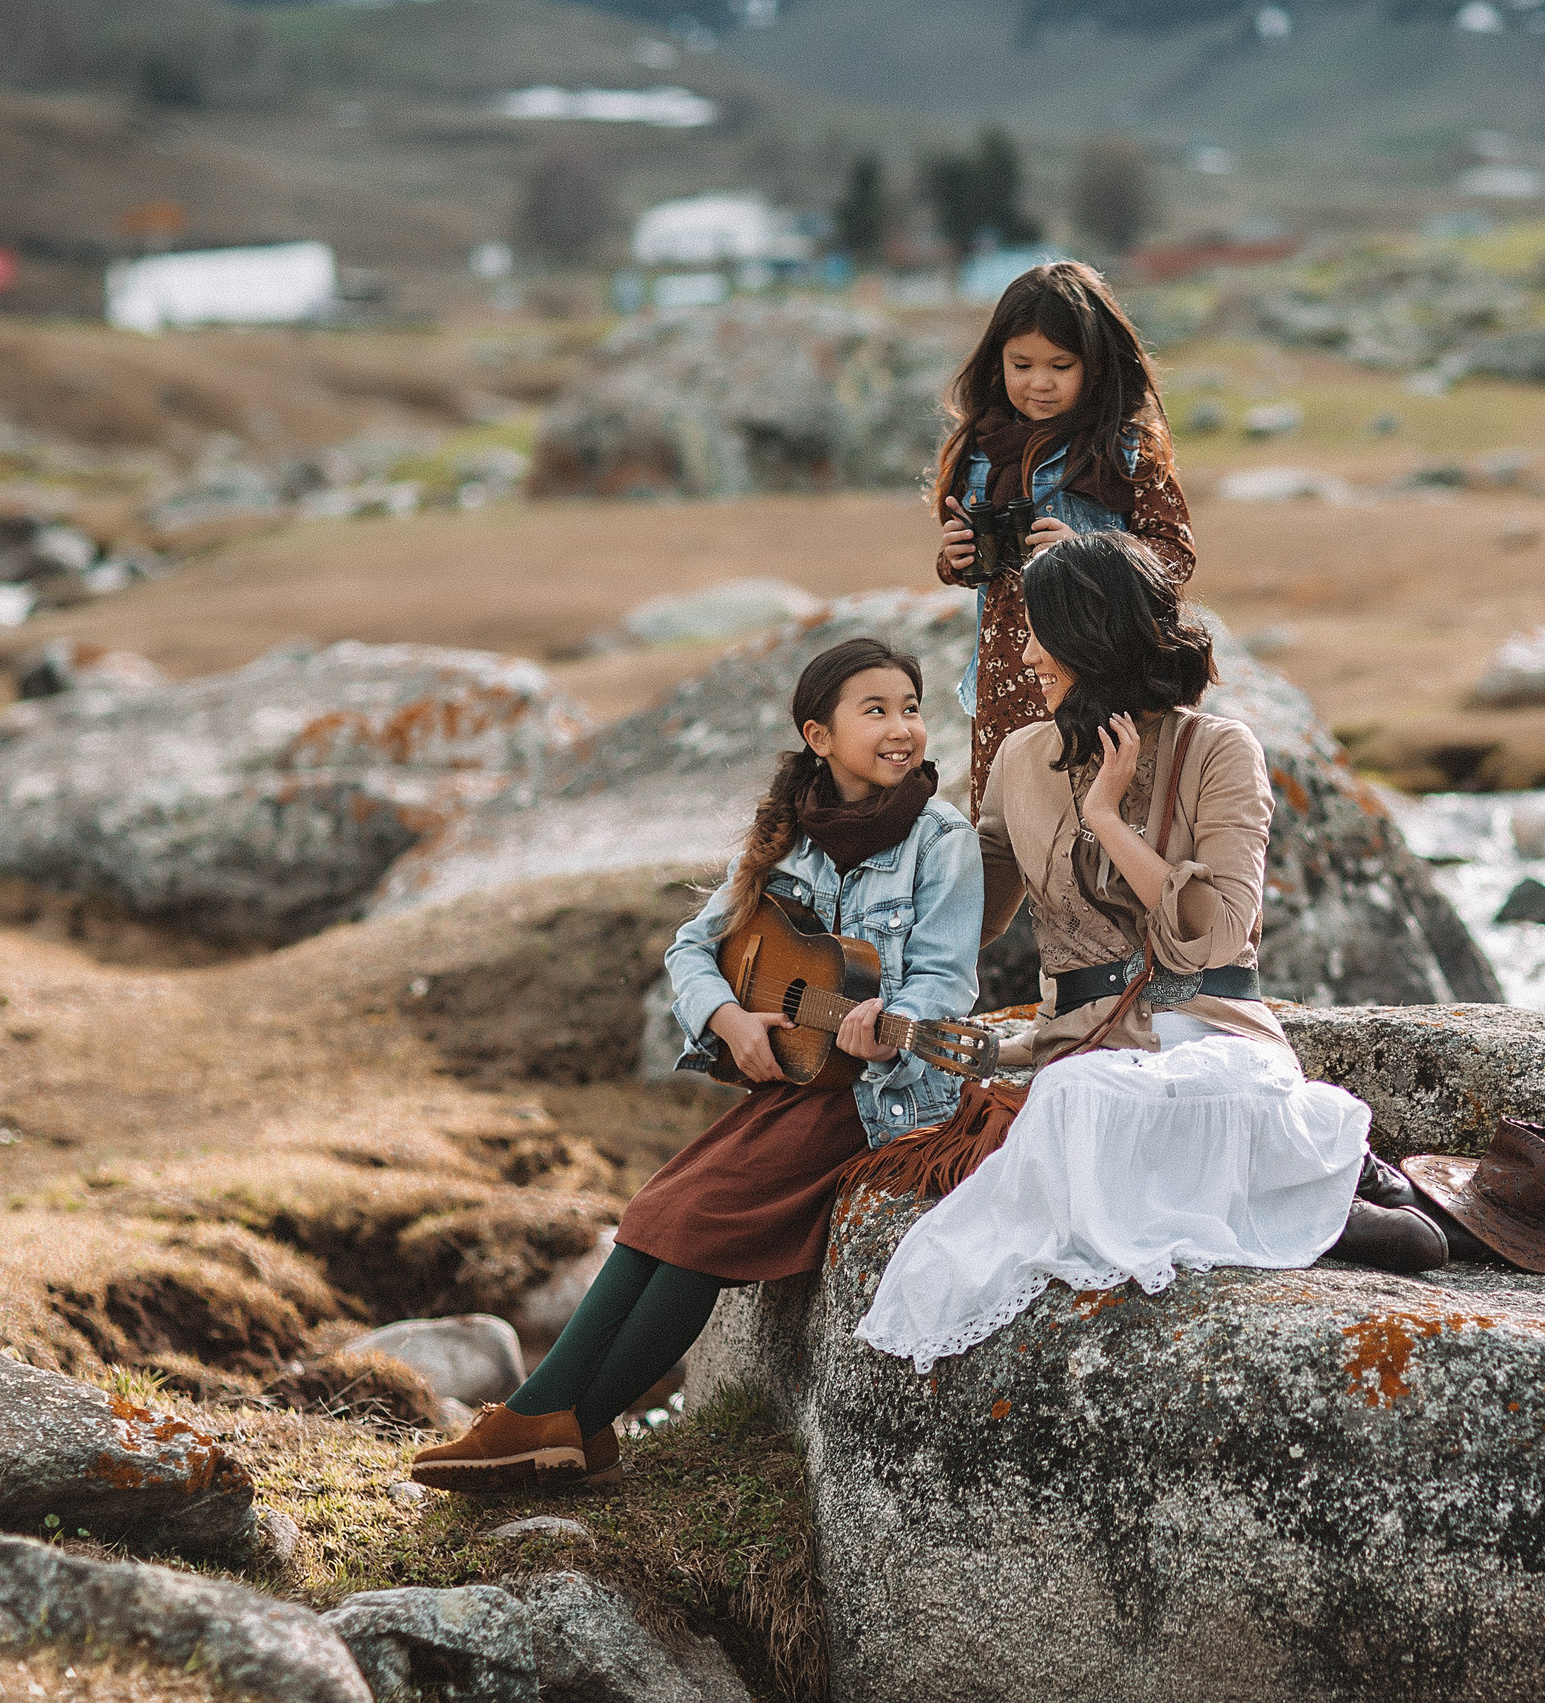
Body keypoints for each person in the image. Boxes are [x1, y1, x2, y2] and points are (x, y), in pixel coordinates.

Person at [854, 533, 1445, 1373]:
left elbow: (1217, 933)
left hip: (1208, 1030)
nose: (1025, 655)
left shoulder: (1220, 749)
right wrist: (881, 852)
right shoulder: (1020, 757)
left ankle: (1316, 1186)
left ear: (1094, 638)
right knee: (1079, 1098)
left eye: (1040, 633)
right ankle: (1303, 1195)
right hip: (1086, 1049)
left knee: (1132, 1098)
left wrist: (1105, 817)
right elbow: (966, 919)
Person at [412, 638, 982, 1491]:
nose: (902, 728)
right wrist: (725, 1014)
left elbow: (943, 982)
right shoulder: (789, 840)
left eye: (911, 707)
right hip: (796, 1084)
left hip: (882, 1096)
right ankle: (560, 1426)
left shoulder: (944, 840)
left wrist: (890, 1019)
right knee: (654, 1210)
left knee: (695, 1224)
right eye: (877, 710)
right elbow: (694, 946)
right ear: (818, 736)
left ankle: (553, 1422)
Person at [930, 259, 1195, 815]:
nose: (1039, 382)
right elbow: (976, 570)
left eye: (1060, 364)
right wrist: (956, 560)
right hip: (1007, 675)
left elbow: (1175, 554)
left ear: (1096, 367)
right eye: (1020, 364)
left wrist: (1090, 557)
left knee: (1101, 825)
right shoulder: (980, 449)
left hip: (1102, 680)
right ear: (995, 362)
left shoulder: (1125, 452)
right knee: (1006, 828)